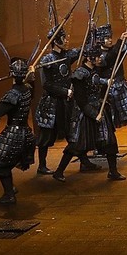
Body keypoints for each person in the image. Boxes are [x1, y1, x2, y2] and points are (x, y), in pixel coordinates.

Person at [36, 23, 93, 178]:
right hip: (52, 103)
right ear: (55, 41)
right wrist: (64, 91)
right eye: (63, 37)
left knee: (72, 132)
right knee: (46, 135)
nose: (66, 40)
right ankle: (41, 165)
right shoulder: (47, 60)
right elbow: (46, 84)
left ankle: (84, 161)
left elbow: (84, 48)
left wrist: (91, 30)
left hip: (67, 103)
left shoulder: (67, 55)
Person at [0, 49, 38, 205]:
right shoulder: (27, 89)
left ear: (11, 74)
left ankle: (9, 194)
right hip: (26, 133)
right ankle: (10, 189)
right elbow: (32, 88)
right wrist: (32, 76)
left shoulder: (13, 94)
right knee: (6, 162)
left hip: (14, 134)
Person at [67, 40, 125, 181]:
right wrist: (93, 114)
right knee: (77, 145)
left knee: (110, 141)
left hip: (99, 110)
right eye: (97, 56)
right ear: (89, 58)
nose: (100, 58)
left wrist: (107, 81)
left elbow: (96, 80)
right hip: (85, 114)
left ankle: (113, 171)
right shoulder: (79, 75)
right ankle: (60, 170)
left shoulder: (94, 70)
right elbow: (81, 100)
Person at [97, 18, 127, 156]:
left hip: (120, 86)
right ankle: (102, 146)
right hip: (105, 89)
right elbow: (109, 58)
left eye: (110, 37)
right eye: (106, 38)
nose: (109, 40)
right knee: (106, 120)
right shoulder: (97, 55)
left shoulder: (117, 49)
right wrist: (120, 41)